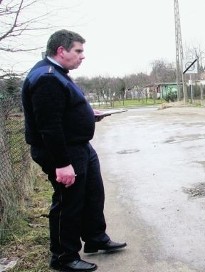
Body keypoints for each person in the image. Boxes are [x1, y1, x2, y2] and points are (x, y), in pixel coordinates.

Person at [21, 29, 126, 272]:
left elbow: (64, 111)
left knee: (92, 193)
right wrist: (62, 163)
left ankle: (95, 238)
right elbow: (49, 126)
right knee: (68, 202)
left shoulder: (59, 73)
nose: (82, 56)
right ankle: (63, 257)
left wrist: (89, 115)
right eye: (78, 51)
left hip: (79, 147)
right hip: (62, 152)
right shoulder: (47, 77)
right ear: (61, 51)